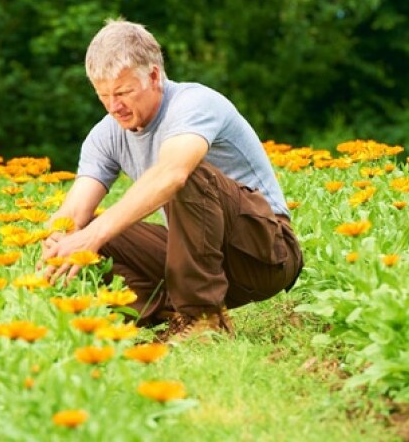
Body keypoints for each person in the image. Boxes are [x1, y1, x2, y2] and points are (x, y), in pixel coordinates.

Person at [39, 18, 303, 341]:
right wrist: (59, 239)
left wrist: (90, 235)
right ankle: (156, 316)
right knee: (87, 233)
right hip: (204, 260)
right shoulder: (105, 136)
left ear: (154, 76)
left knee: (184, 175)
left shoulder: (194, 104)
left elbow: (173, 174)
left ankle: (204, 318)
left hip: (265, 255)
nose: (113, 107)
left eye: (123, 92)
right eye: (103, 95)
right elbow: (73, 213)